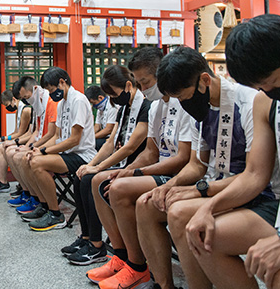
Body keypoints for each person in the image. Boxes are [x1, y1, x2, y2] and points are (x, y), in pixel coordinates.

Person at [185, 16, 280, 289]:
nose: (267, 91)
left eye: (272, 82)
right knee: (204, 237)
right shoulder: (266, 102)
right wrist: (208, 208)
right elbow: (254, 174)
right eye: (260, 87)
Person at [135, 46, 259, 289]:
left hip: (245, 190)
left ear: (204, 80)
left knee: (179, 214)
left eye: (182, 96)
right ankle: (163, 284)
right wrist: (169, 186)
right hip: (214, 184)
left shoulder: (248, 102)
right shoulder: (198, 109)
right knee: (147, 204)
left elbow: (253, 175)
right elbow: (196, 164)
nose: (182, 103)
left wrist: (199, 190)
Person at [83, 52, 193, 288]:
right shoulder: (154, 108)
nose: (142, 88)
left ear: (162, 75)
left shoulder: (182, 103)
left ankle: (137, 265)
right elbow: (150, 152)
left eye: (146, 82)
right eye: (139, 83)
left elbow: (183, 158)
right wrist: (128, 169)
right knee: (100, 180)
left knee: (119, 188)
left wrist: (135, 173)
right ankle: (122, 257)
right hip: (157, 169)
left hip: (178, 174)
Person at [62, 65, 151, 265]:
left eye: (114, 94)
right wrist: (91, 163)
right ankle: (87, 238)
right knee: (82, 175)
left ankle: (98, 245)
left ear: (128, 85)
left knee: (92, 180)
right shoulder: (124, 109)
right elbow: (111, 142)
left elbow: (129, 147)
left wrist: (99, 168)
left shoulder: (146, 107)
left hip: (135, 164)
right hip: (123, 162)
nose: (112, 99)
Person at [20, 67, 97, 231]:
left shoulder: (79, 100)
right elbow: (57, 137)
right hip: (67, 152)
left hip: (83, 155)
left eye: (52, 89)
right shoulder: (62, 103)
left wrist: (44, 151)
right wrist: (38, 149)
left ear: (63, 82)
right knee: (30, 159)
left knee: (37, 163)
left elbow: (74, 140)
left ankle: (56, 214)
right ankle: (44, 205)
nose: (51, 93)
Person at [5, 76, 57, 212]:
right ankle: (28, 193)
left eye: (26, 97)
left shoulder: (51, 102)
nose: (26, 100)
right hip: (44, 142)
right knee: (13, 153)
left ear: (35, 89)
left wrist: (35, 148)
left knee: (22, 157)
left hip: (52, 144)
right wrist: (28, 145)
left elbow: (51, 134)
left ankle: (38, 199)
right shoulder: (37, 106)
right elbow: (35, 132)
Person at [0, 89, 32, 194]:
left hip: (26, 140)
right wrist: (3, 139)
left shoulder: (26, 110)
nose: (8, 107)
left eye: (7, 104)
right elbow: (15, 131)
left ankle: (4, 182)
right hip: (20, 138)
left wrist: (3, 139)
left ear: (14, 99)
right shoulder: (18, 110)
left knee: (1, 147)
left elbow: (21, 133)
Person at [85, 85, 118, 150]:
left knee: (93, 144)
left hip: (112, 138)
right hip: (104, 137)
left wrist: (91, 138)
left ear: (100, 98)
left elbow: (109, 129)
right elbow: (97, 126)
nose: (94, 106)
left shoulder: (112, 106)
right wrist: (88, 136)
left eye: (93, 103)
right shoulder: (100, 109)